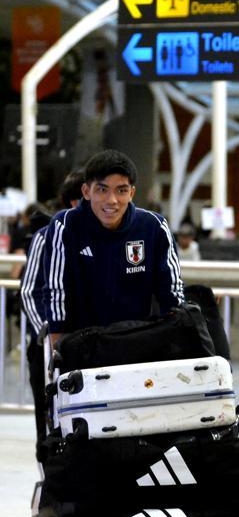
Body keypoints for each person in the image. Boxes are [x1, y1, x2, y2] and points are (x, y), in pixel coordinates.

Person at [37, 151, 184, 345]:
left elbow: (172, 292)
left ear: (132, 193)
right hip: (84, 345)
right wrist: (58, 349)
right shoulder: (64, 225)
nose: (111, 200)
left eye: (121, 191)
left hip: (139, 343)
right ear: (86, 191)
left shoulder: (154, 226)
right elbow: (56, 291)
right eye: (102, 189)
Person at [20, 170, 86, 441]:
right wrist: (47, 337)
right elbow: (29, 293)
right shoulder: (46, 236)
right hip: (50, 346)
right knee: (49, 422)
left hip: (90, 342)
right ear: (76, 200)